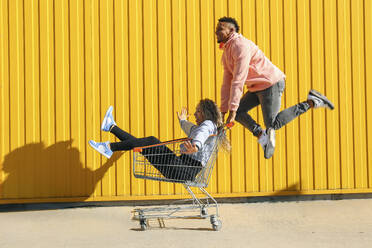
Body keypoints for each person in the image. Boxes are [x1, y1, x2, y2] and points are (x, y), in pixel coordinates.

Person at [215, 16, 334, 159]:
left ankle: (312, 102)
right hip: (256, 87)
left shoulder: (240, 46)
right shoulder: (227, 53)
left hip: (270, 83)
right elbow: (227, 83)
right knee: (240, 112)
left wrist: (231, 110)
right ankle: (262, 136)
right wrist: (222, 111)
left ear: (231, 30)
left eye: (220, 29)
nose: (216, 32)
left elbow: (238, 79)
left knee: (273, 124)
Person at [88, 99, 230, 181]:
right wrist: (182, 121)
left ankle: (109, 147)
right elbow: (192, 129)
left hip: (184, 169)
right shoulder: (203, 127)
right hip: (180, 168)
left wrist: (196, 146)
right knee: (144, 145)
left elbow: (201, 135)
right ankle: (111, 127)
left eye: (198, 111)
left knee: (151, 140)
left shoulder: (207, 125)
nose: (194, 113)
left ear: (206, 113)